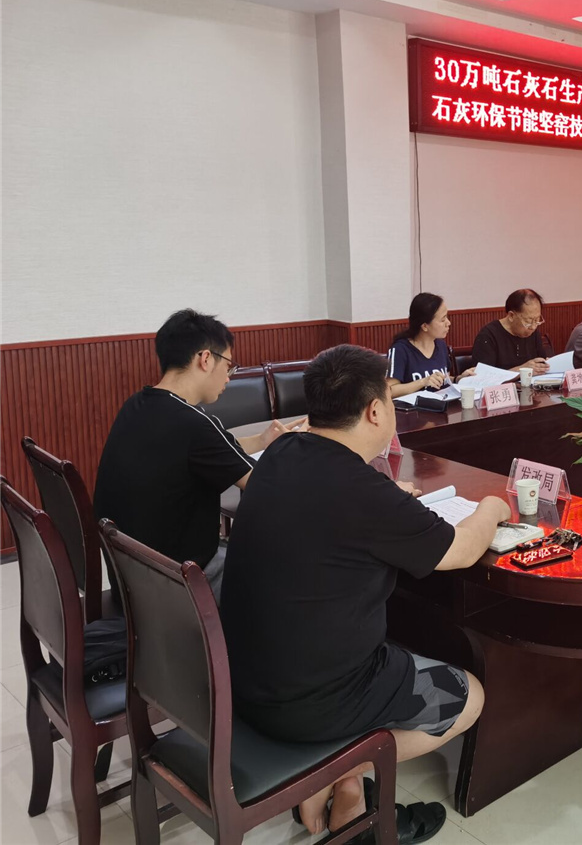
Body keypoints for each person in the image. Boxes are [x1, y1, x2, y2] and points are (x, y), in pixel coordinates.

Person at [220, 344, 510, 840]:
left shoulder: (283, 452)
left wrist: (389, 500)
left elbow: (331, 509)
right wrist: (492, 508)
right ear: (375, 410)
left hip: (241, 679)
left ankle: (346, 782)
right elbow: (461, 551)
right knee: (470, 697)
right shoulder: (361, 491)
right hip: (309, 702)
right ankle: (338, 771)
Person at [93, 309, 299, 600]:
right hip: (182, 583)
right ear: (205, 359)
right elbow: (266, 487)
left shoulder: (138, 404)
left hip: (133, 577)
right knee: (290, 572)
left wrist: (263, 440)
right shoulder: (195, 424)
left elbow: (209, 450)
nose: (229, 377)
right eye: (228, 365)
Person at [388, 292, 473, 399]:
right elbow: (390, 390)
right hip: (413, 409)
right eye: (442, 320)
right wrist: (423, 382)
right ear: (424, 326)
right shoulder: (400, 349)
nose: (448, 323)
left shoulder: (441, 346)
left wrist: (458, 379)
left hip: (441, 405)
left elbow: (443, 380)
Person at [471, 289, 551, 372]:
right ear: (511, 316)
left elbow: (541, 362)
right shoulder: (488, 336)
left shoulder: (533, 332)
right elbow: (483, 376)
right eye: (528, 321)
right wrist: (521, 370)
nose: (533, 327)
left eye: (537, 320)